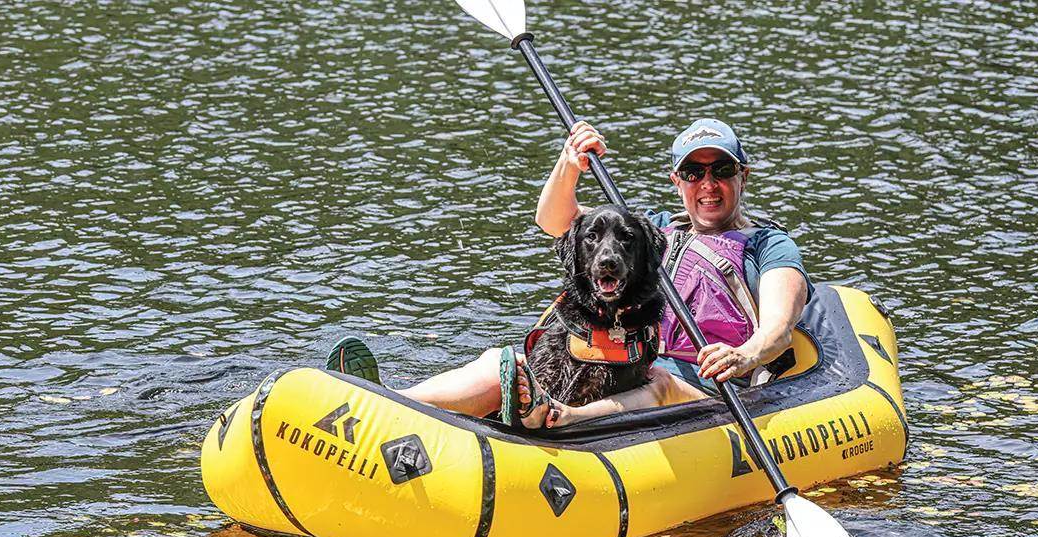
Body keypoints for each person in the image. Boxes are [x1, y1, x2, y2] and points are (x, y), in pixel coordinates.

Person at [327, 117, 812, 429]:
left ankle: (564, 417)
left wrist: (745, 355)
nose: (707, 184)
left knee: (660, 379)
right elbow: (556, 224)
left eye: (720, 170)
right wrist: (569, 164)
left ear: (741, 177)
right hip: (624, 365)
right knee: (504, 360)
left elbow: (778, 326)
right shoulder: (648, 231)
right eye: (693, 173)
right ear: (677, 181)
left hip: (703, 389)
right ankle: (383, 402)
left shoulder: (767, 245)